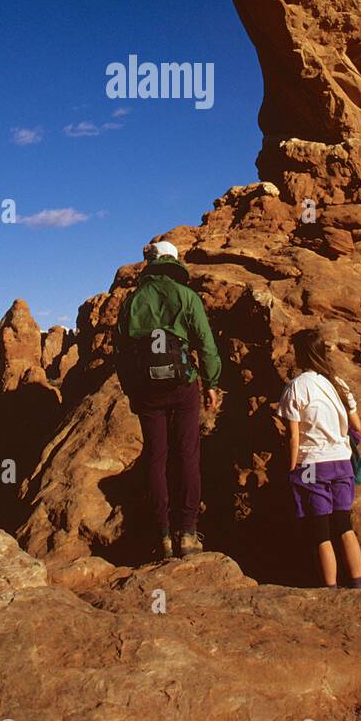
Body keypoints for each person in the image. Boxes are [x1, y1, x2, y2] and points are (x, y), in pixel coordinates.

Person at [116, 239, 221, 560]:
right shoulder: (187, 296)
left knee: (156, 456)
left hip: (147, 389)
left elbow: (120, 353)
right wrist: (212, 382)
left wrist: (132, 391)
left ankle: (162, 535)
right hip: (183, 383)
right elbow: (205, 342)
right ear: (174, 264)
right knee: (187, 453)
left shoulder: (133, 301)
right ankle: (188, 533)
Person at [279, 329, 361, 589]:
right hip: (342, 461)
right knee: (343, 524)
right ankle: (358, 583)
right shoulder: (338, 384)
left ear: (300, 354)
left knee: (320, 531)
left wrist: (291, 467)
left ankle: (330, 589)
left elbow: (293, 437)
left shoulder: (296, 387)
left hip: (312, 464)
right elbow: (357, 426)